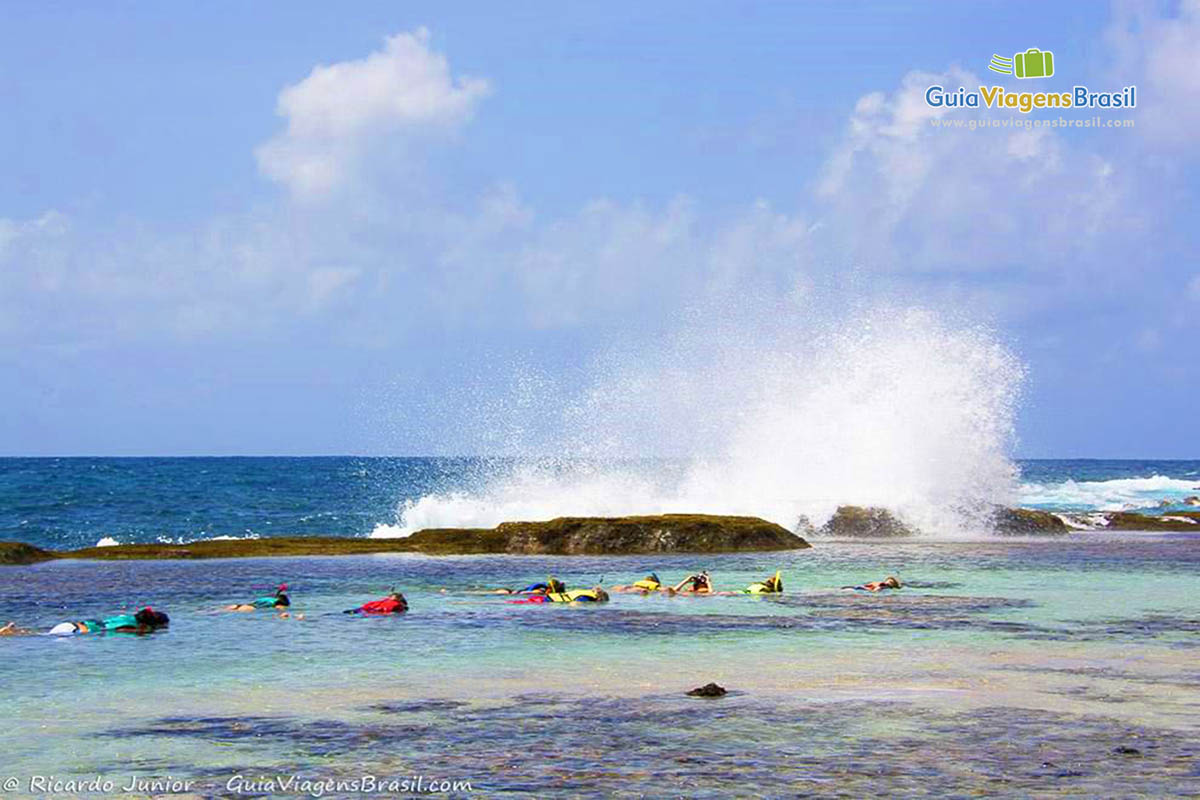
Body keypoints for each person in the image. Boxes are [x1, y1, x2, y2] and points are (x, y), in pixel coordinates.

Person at [48, 607, 169, 636]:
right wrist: (144, 632)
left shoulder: (124, 617)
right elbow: (119, 630)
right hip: (74, 632)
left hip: (70, 625)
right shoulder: (132, 626)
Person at [225, 583, 290, 612]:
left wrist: (279, 590)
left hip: (244, 605)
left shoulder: (270, 599)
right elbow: (281, 609)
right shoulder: (276, 604)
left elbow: (277, 596)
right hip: (251, 608)